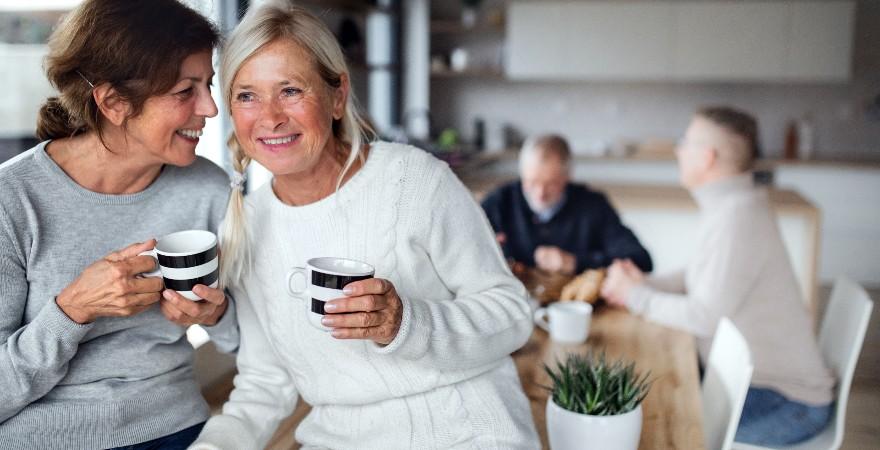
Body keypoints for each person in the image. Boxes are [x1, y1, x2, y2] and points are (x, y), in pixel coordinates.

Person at [189, 2, 539, 449]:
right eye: (247, 95)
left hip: (466, 430)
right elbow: (264, 384)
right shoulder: (248, 225)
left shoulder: (413, 180)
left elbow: (512, 315)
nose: (270, 116)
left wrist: (405, 323)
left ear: (337, 96)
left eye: (291, 90)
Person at [0, 1, 239, 448]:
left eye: (208, 85)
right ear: (112, 102)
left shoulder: (208, 187)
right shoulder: (12, 201)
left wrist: (216, 314)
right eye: (185, 91)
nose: (209, 108)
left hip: (177, 428)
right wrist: (71, 310)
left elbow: (253, 343)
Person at [601, 106, 834, 446]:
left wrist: (636, 296)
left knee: (660, 430)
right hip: (756, 383)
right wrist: (642, 284)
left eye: (685, 142)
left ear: (707, 157)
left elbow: (704, 316)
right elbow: (698, 275)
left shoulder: (738, 216)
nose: (678, 150)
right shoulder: (733, 206)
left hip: (784, 400)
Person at [481, 134, 652, 275]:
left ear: (567, 177)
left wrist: (576, 262)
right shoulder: (499, 203)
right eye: (531, 182)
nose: (540, 194)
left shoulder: (593, 205)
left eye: (551, 184)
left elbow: (641, 260)